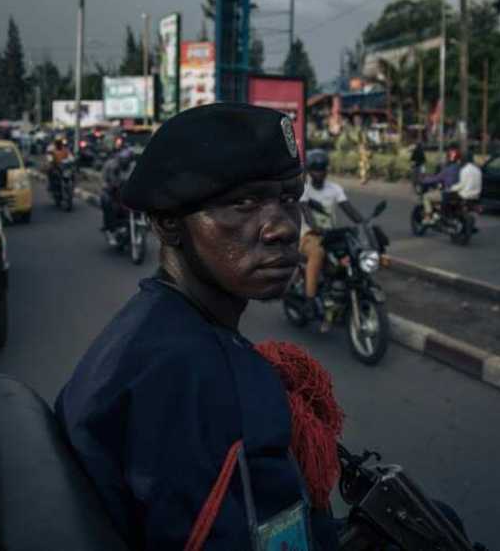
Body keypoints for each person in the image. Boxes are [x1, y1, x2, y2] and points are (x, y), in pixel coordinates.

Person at [56, 103, 342, 551]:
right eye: (243, 203)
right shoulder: (208, 383)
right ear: (168, 223)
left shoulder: (154, 331)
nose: (283, 227)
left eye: (288, 198)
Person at [299, 149, 364, 332]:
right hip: (308, 236)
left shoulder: (335, 188)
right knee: (318, 253)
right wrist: (315, 227)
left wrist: (365, 223)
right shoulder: (305, 189)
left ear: (327, 170)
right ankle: (310, 300)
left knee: (351, 255)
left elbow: (349, 209)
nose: (318, 173)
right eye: (315, 169)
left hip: (331, 236)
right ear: (309, 171)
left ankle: (340, 297)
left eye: (322, 169)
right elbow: (305, 211)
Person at [100, 144, 136, 238]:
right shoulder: (110, 165)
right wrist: (107, 186)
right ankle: (110, 228)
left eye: (127, 159)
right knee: (106, 200)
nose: (125, 161)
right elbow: (103, 179)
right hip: (113, 191)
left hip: (128, 192)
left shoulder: (133, 166)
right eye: (123, 159)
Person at [419, 145, 462, 224]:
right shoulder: (460, 168)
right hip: (458, 194)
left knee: (426, 196)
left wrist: (424, 180)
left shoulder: (447, 169)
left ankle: (428, 217)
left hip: (447, 193)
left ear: (448, 158)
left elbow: (436, 178)